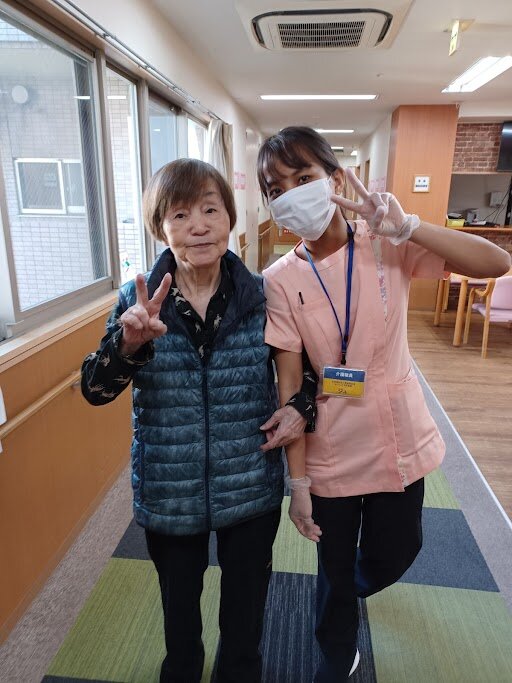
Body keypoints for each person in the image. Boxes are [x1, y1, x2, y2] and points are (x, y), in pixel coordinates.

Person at [256, 126, 511, 683]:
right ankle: (336, 649)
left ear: (334, 179)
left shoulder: (384, 239)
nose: (291, 195)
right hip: (329, 443)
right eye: (276, 189)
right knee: (332, 561)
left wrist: (411, 225)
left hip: (398, 434)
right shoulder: (279, 279)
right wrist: (298, 483)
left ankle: (348, 590)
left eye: (303, 178)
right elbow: (289, 383)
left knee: (397, 551)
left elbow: (495, 263)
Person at [81, 158, 316, 683]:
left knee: (246, 614)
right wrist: (128, 346)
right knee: (179, 616)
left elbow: (308, 376)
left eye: (211, 210)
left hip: (249, 483)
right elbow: (95, 389)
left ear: (230, 217)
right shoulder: (138, 299)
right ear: (160, 227)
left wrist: (300, 409)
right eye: (181, 214)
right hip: (170, 487)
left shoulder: (262, 295)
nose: (199, 226)